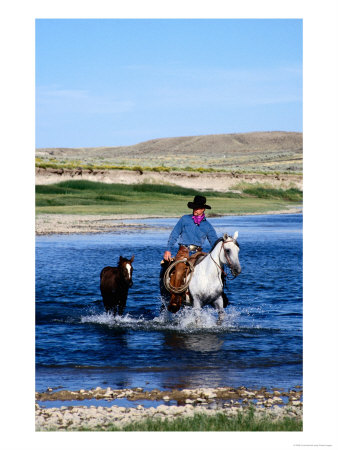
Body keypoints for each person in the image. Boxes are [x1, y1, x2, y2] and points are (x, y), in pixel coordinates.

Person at [162, 195, 218, 312]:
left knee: (211, 270)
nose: (196, 210)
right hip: (183, 252)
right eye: (194, 208)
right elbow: (174, 234)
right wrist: (168, 249)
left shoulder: (207, 226)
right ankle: (175, 298)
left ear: (203, 209)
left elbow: (214, 243)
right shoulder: (184, 219)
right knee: (179, 271)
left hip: (198, 253)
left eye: (198, 208)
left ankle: (218, 295)